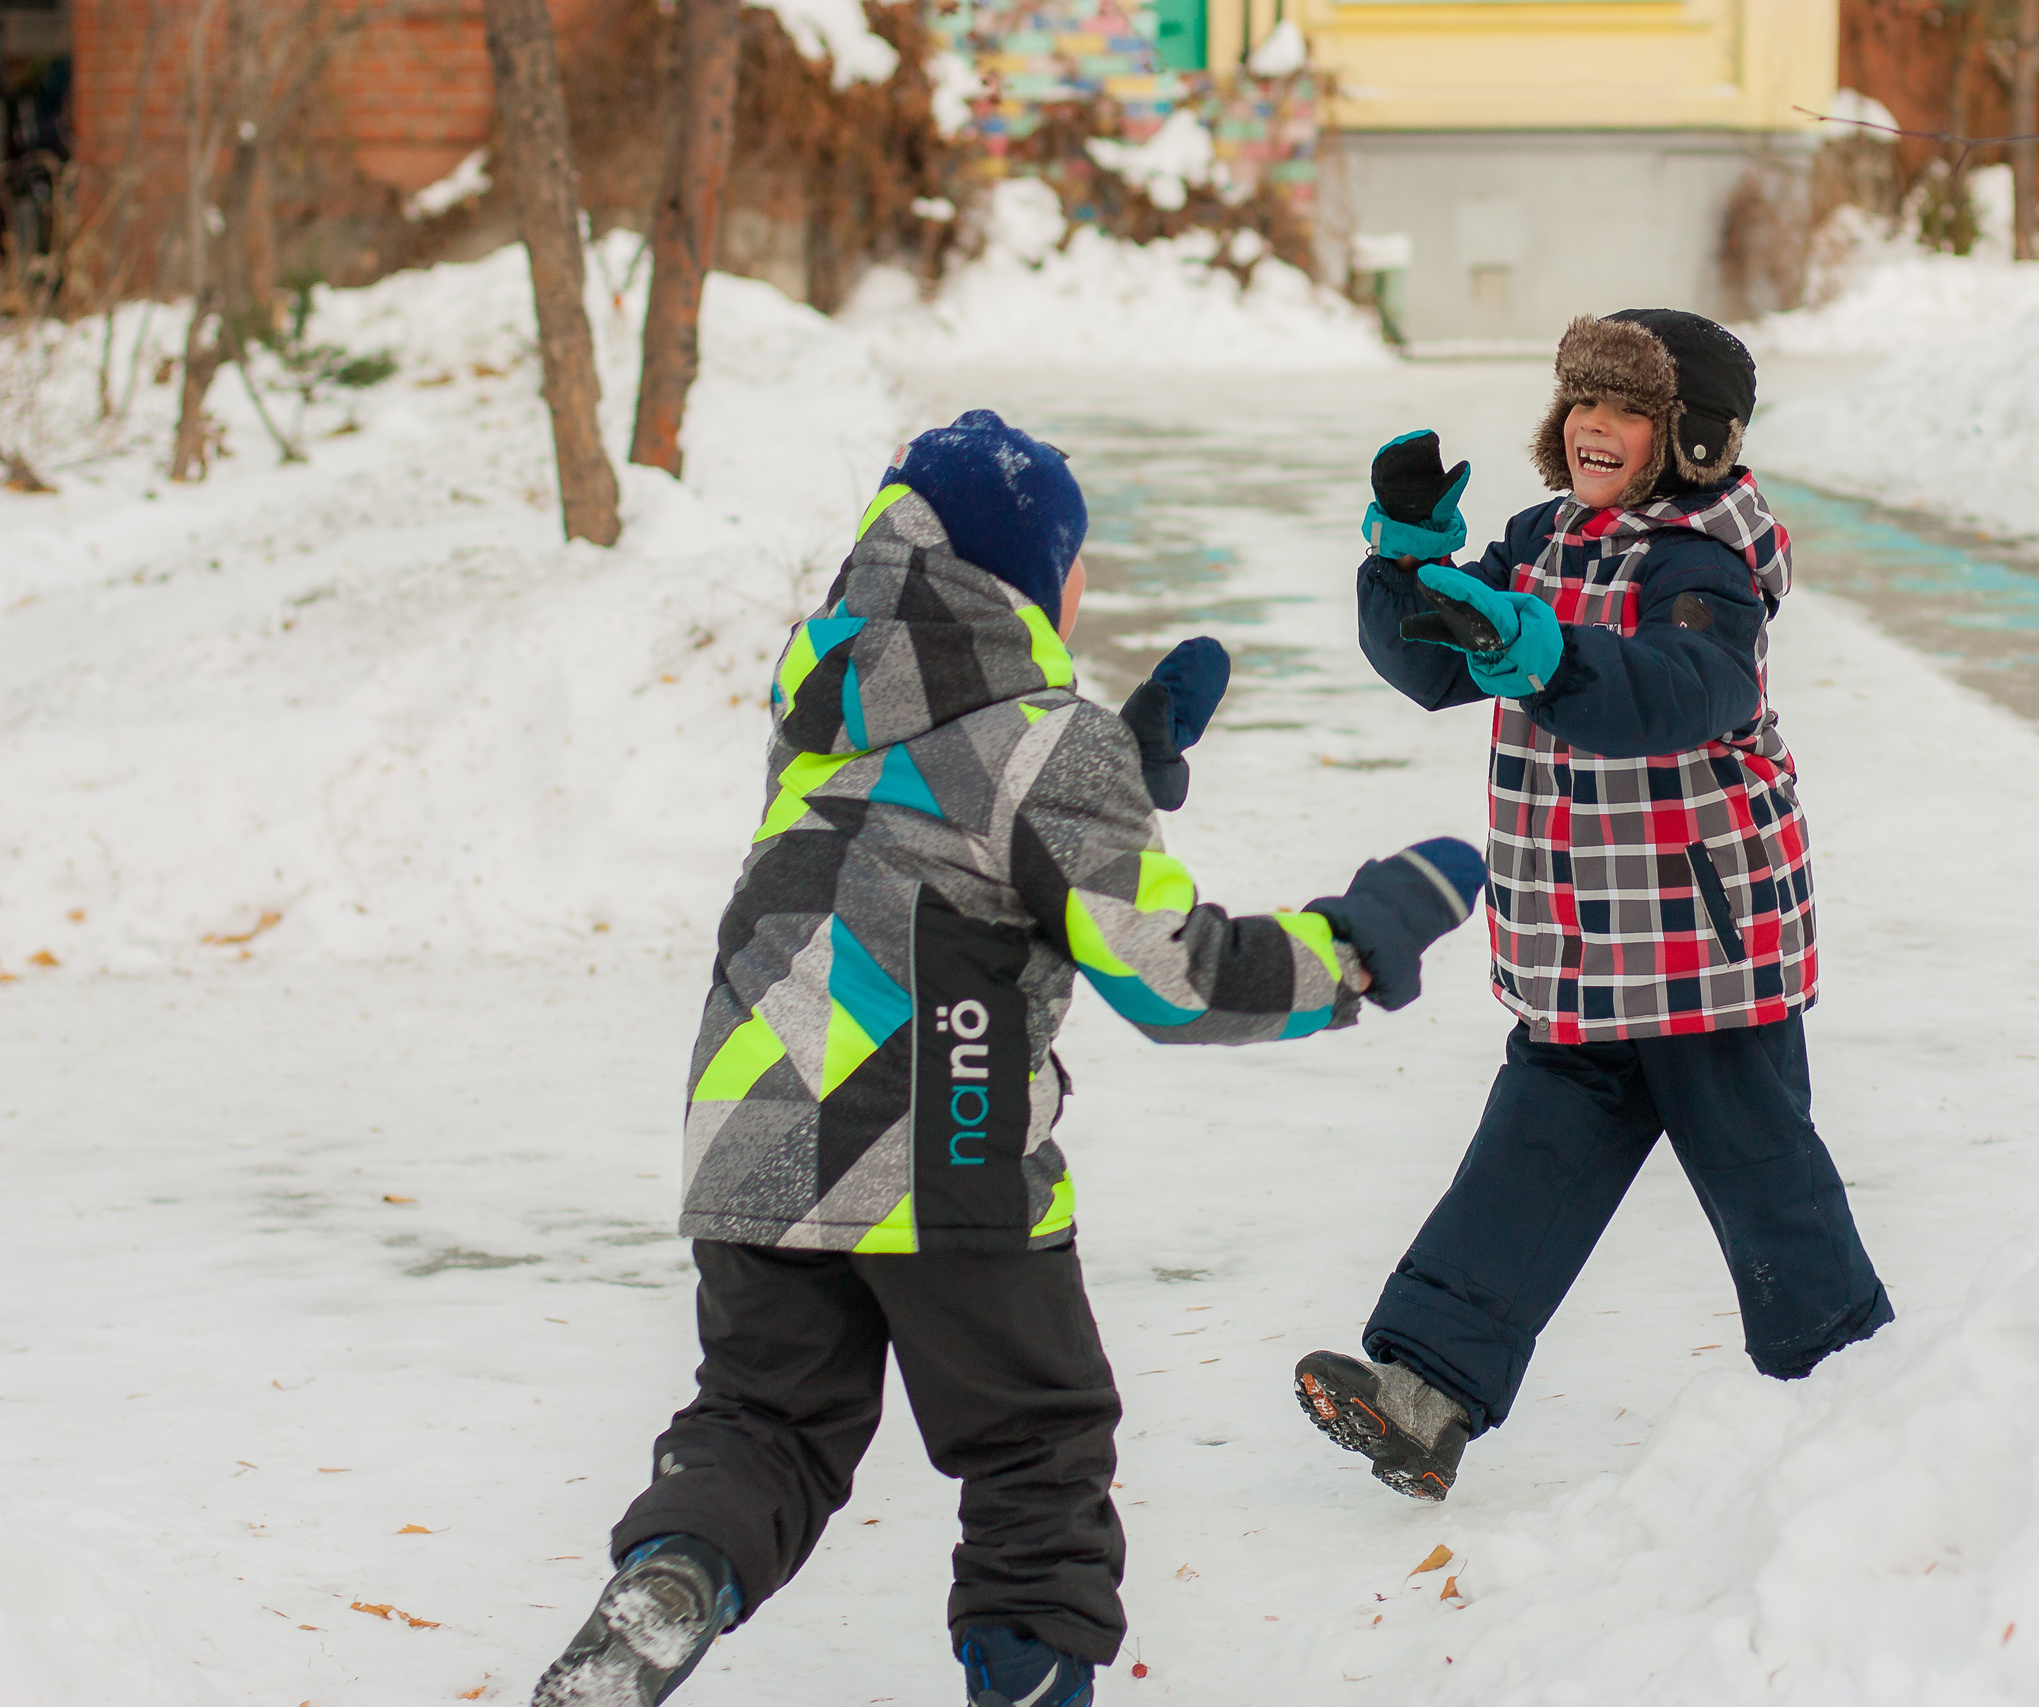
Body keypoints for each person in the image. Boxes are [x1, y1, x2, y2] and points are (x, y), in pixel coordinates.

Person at [529, 410, 1486, 1707]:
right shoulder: (1048, 741)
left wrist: (1119, 770)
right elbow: (1170, 974)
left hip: (750, 1121)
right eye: (1074, 560)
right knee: (1036, 1446)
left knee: (763, 1423)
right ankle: (1033, 1684)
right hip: (942, 1136)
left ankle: (671, 1579)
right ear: (1032, 572)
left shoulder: (824, 706)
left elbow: (931, 831)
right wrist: (1356, 946)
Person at [1292, 312, 1893, 1502]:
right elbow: (1432, 664)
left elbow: (1683, 690)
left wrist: (1550, 656)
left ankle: (1864, 1389)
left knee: (1768, 1184)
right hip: (1578, 943)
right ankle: (1424, 1395)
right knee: (1528, 1164)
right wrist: (1408, 564)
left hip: (1700, 943)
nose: (1591, 429)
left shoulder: (1705, 561)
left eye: (1623, 409)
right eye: (1579, 403)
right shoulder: (1540, 539)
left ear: (1693, 440)